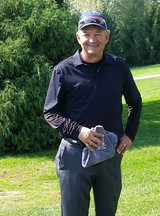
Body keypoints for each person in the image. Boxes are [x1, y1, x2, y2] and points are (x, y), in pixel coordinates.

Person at [43, 11, 142, 216]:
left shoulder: (118, 67)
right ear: (78, 37)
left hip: (109, 153)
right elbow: (51, 112)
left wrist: (129, 135)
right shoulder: (63, 70)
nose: (92, 39)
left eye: (98, 33)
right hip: (74, 153)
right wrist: (80, 132)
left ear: (107, 37)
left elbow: (135, 102)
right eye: (86, 34)